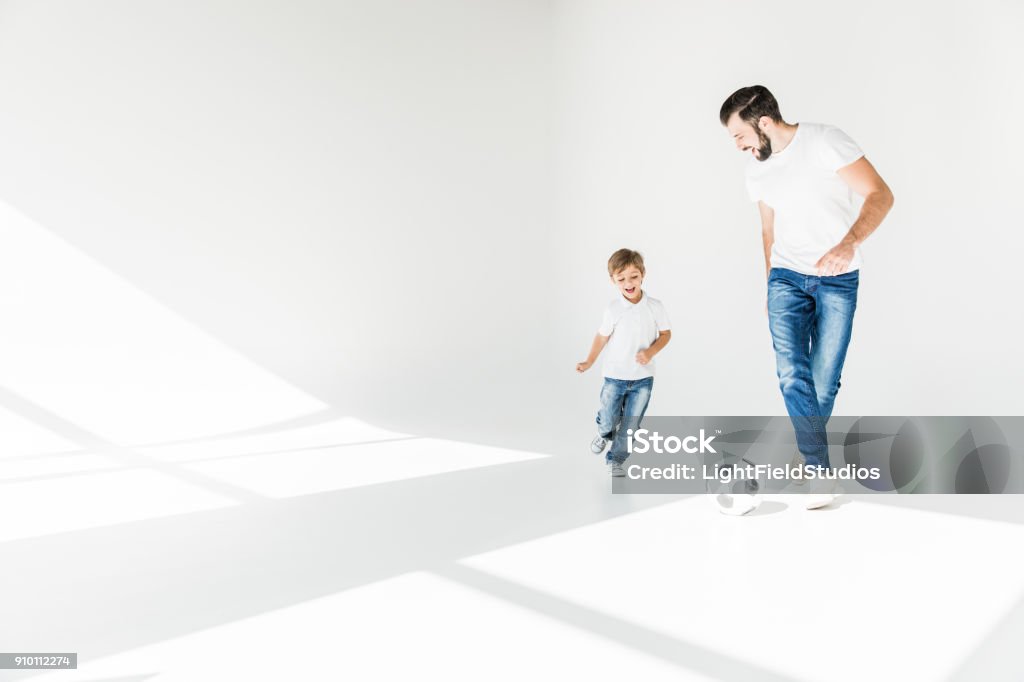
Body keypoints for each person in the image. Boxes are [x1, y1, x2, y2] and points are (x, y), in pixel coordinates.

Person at [720, 85, 894, 509]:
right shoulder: (755, 171)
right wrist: (768, 282)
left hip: (837, 280)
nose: (739, 146)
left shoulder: (824, 141)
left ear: (764, 122)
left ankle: (804, 451)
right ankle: (818, 470)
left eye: (740, 135)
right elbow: (767, 231)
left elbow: (881, 194)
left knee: (823, 380)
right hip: (785, 278)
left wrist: (849, 242)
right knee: (790, 374)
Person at [576, 249, 672, 477]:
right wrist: (590, 361)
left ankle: (616, 459)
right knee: (608, 419)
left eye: (633, 277)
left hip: (642, 379)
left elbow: (666, 334)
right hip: (614, 376)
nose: (628, 283)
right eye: (622, 279)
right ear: (613, 280)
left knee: (630, 426)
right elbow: (602, 336)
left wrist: (650, 351)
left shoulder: (655, 306)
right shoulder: (613, 309)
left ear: (643, 275)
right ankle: (603, 433)